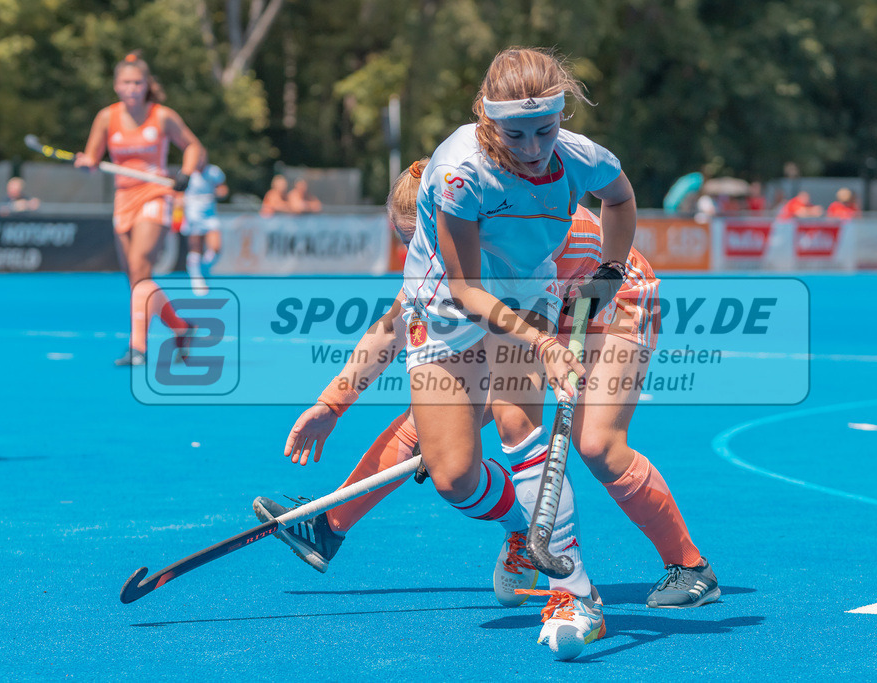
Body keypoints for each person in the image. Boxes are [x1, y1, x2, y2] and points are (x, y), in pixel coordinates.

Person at [265, 48, 651, 660]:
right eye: (514, 133)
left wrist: (606, 270)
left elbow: (621, 199)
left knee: (522, 429)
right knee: (452, 476)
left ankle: (574, 594)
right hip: (450, 314)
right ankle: (524, 527)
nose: (531, 147)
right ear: (486, 119)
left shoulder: (582, 157)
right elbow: (466, 291)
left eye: (544, 130)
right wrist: (329, 406)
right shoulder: (459, 174)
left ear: (562, 116)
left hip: (523, 303)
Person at [263, 156, 716, 611]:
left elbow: (522, 394)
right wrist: (333, 403)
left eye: (424, 238)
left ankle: (690, 566)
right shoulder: (443, 249)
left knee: (596, 445)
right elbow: (394, 325)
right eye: (410, 242)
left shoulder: (522, 236)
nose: (423, 255)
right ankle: (331, 528)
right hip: (533, 311)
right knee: (431, 422)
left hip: (610, 302)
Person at [75, 51, 206, 366]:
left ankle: (138, 347)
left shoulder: (161, 116)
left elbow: (194, 147)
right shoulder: (107, 117)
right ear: (116, 86)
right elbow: (92, 159)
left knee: (140, 264)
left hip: (156, 194)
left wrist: (185, 175)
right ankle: (181, 327)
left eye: (137, 82)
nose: (132, 88)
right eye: (126, 82)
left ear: (147, 85)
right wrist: (86, 163)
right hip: (124, 198)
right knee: (135, 279)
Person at [181, 162, 228, 296]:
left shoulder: (214, 171)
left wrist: (219, 192)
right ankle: (196, 279)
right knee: (196, 247)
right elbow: (177, 193)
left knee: (216, 248)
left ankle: (203, 268)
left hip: (210, 215)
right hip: (192, 214)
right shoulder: (186, 173)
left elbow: (223, 189)